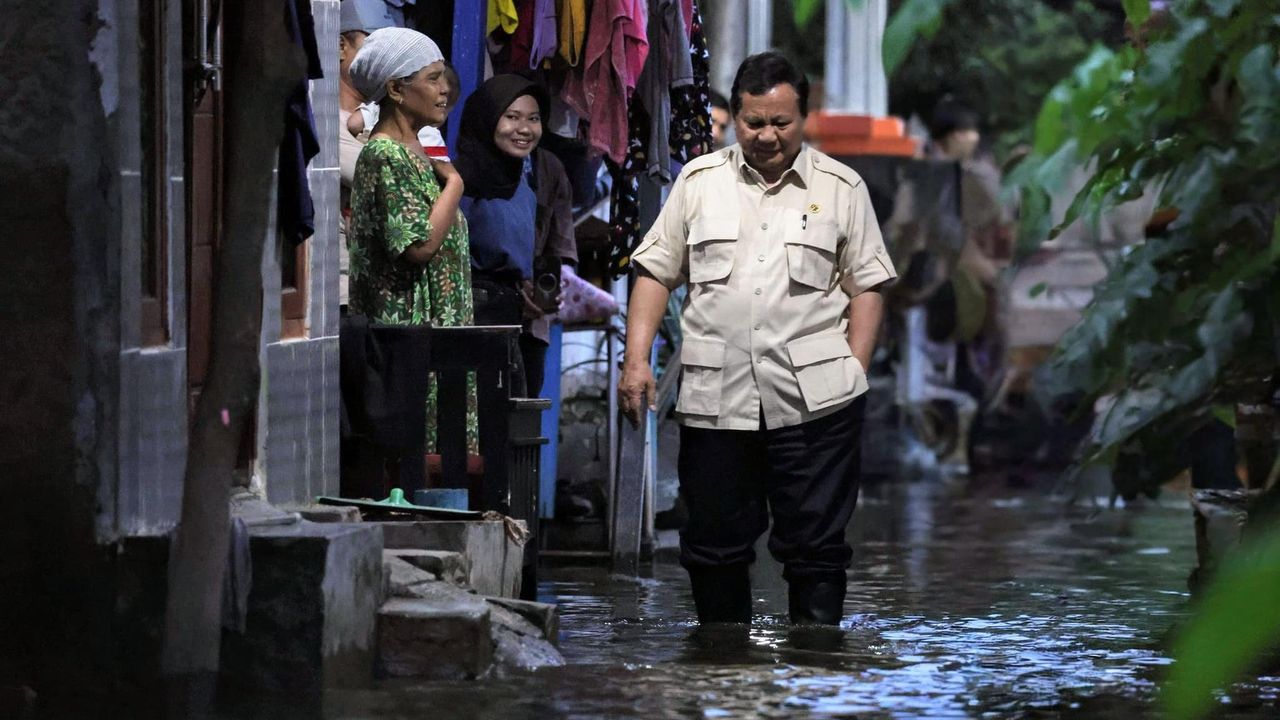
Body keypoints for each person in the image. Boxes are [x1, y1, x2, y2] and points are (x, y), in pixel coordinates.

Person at [619, 52, 896, 626]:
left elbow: (867, 285)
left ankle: (814, 677)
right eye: (753, 123)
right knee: (712, 546)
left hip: (818, 404)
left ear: (804, 118)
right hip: (718, 401)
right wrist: (635, 362)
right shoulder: (698, 183)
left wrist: (855, 370)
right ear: (736, 117)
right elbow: (654, 272)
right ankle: (721, 674)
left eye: (780, 123)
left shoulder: (843, 188)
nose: (767, 135)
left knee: (817, 549)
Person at [346, 28, 479, 455]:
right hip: (408, 349)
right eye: (433, 78)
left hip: (435, 343)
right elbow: (418, 245)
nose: (444, 90)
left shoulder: (419, 154)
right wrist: (455, 185)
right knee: (417, 462)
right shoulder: (385, 155)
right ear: (396, 90)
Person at [455, 74, 577, 398]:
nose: (524, 129)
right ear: (488, 119)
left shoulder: (535, 176)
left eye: (533, 119)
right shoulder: (457, 179)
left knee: (516, 425)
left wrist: (543, 287)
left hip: (523, 323)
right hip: (473, 321)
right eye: (512, 117)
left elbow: (557, 247)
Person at [337, 0, 395, 309]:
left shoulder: (383, 115)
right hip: (343, 292)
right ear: (341, 46)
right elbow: (390, 177)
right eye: (374, 47)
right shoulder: (324, 118)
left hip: (385, 291)